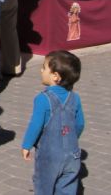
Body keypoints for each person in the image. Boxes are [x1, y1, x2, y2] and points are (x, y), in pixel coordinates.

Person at [22, 50, 85, 195]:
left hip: (49, 156)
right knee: (67, 188)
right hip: (72, 155)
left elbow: (36, 125)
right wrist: (71, 138)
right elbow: (80, 124)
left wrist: (27, 144)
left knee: (44, 187)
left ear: (55, 76)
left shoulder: (42, 99)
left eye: (44, 68)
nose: (41, 70)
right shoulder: (75, 98)